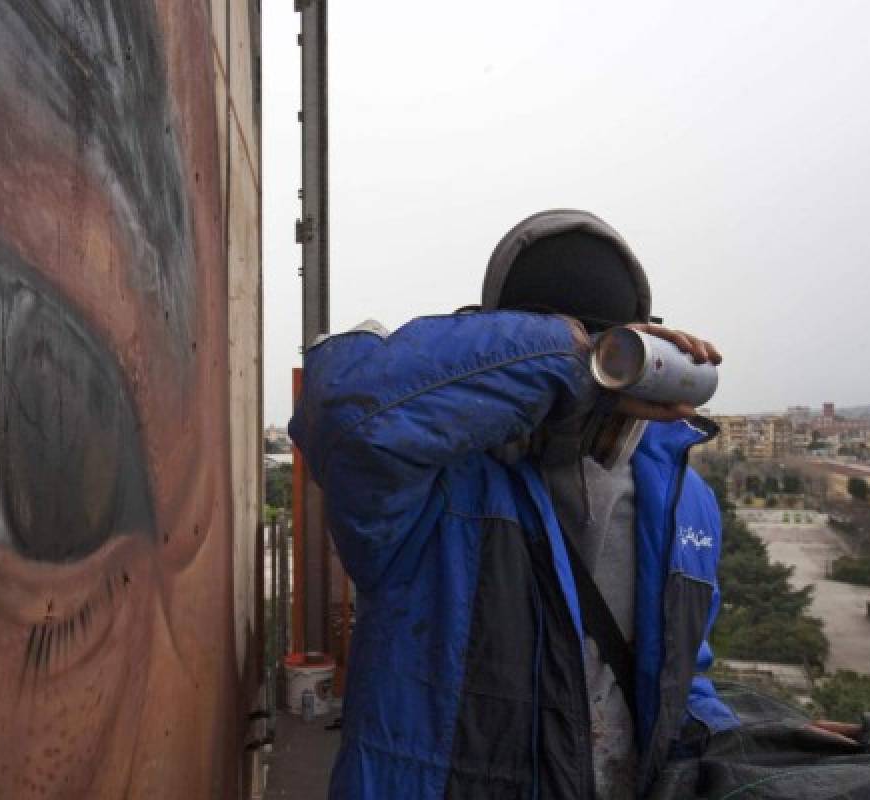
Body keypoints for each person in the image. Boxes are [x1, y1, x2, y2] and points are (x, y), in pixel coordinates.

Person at [290, 210, 736, 799]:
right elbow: (345, 413)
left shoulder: (685, 502)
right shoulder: (431, 490)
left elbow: (680, 675)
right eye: (581, 347)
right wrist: (570, 358)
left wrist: (727, 738)